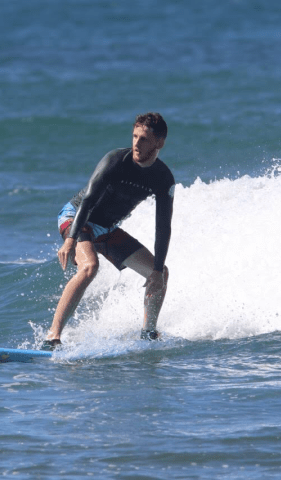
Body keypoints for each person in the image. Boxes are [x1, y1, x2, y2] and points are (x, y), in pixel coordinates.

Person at [42, 112, 175, 350]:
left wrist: (155, 270)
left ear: (159, 143)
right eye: (134, 136)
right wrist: (70, 239)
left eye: (143, 139)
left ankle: (148, 334)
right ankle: (52, 337)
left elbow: (163, 226)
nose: (136, 143)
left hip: (107, 228)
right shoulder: (115, 160)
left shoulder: (163, 178)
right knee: (89, 267)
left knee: (160, 274)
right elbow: (88, 201)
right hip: (77, 217)